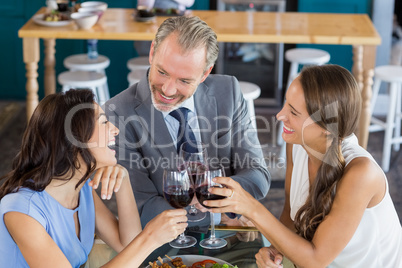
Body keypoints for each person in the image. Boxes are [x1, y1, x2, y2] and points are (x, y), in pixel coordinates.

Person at [206, 65, 402, 267]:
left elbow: (315, 259)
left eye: (293, 112)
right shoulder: (297, 145)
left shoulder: (362, 173)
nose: (280, 115)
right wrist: (277, 251)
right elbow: (291, 218)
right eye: (285, 104)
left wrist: (251, 208)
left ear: (327, 126)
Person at [104, 16, 270, 231]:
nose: (168, 90)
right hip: (160, 240)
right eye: (162, 72)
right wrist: (221, 218)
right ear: (152, 52)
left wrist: (215, 203)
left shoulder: (228, 91)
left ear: (205, 73)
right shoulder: (117, 113)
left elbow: (257, 175)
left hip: (226, 234)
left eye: (184, 80)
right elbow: (141, 209)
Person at [0, 89, 188, 268]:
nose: (115, 130)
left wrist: (123, 181)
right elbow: (136, 248)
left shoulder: (81, 189)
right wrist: (151, 237)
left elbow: (127, 247)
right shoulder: (22, 211)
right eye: (104, 122)